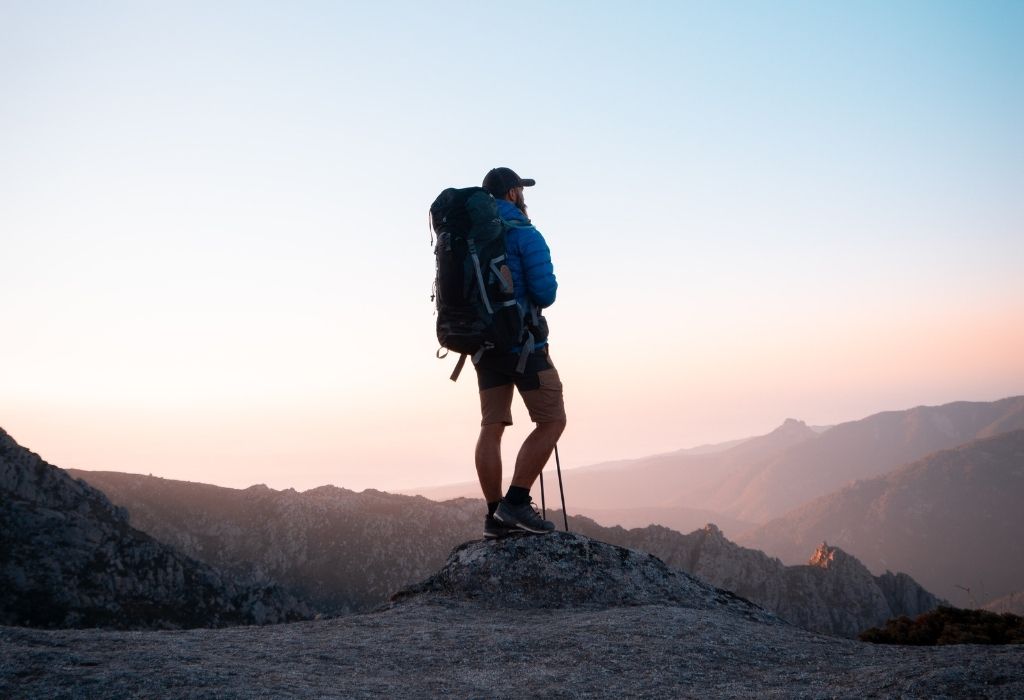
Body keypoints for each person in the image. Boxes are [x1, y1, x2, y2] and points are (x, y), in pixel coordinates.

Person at [476, 167, 567, 538]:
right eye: (519, 189)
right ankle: (516, 502)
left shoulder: (472, 236)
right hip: (524, 344)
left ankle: (494, 515)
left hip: (482, 346)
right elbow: (545, 293)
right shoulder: (525, 233)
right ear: (513, 193)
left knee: (491, 426)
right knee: (552, 420)